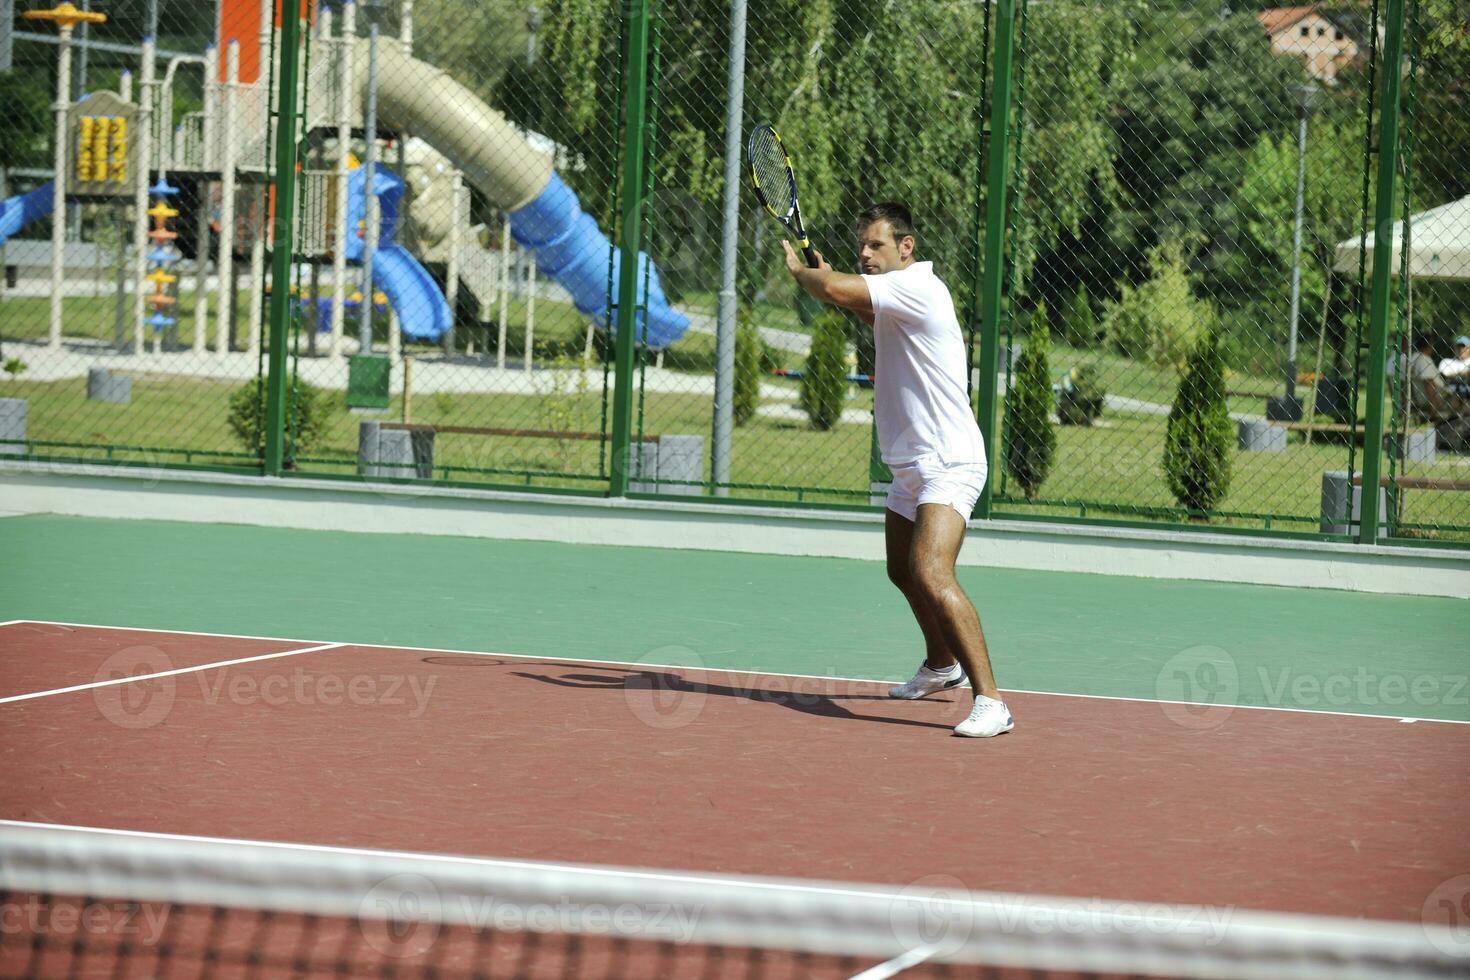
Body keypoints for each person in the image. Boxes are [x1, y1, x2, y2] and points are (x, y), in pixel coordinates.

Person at [781, 202, 1012, 738]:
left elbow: (837, 293)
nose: (864, 252)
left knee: (931, 571)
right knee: (901, 571)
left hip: (948, 460)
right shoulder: (898, 297)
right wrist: (828, 277)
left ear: (906, 247)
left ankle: (993, 701)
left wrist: (809, 277)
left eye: (875, 245)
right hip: (911, 462)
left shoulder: (921, 286)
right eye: (861, 245)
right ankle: (941, 665)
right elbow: (863, 308)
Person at [1439, 335, 1470, 400]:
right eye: (1458, 347)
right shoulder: (1446, 362)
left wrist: (1455, 375)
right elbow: (1444, 375)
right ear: (1454, 348)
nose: (1461, 349)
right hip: (1450, 392)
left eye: (1463, 347)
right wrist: (1464, 374)